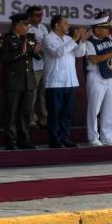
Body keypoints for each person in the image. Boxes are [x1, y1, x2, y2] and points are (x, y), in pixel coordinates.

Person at [43, 15, 86, 148]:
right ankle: (54, 138)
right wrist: (74, 39)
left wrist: (82, 41)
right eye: (65, 23)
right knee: (55, 112)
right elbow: (57, 53)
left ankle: (65, 137)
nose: (69, 25)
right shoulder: (48, 38)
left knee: (67, 112)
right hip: (55, 82)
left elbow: (79, 54)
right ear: (57, 25)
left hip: (70, 81)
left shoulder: (68, 39)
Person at [0, 12, 38, 150]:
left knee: (25, 112)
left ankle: (24, 140)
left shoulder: (30, 37)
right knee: (11, 112)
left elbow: (35, 55)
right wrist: (22, 50)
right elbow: (5, 59)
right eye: (26, 25)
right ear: (17, 25)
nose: (28, 27)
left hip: (28, 81)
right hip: (13, 81)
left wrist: (37, 51)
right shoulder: (6, 39)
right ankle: (10, 141)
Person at [83, 15, 112, 146]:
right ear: (97, 29)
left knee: (110, 108)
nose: (108, 30)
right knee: (94, 108)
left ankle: (107, 136)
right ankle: (93, 137)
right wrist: (111, 52)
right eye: (105, 28)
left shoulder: (110, 40)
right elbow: (93, 59)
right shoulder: (89, 42)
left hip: (110, 75)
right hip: (96, 75)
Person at [25, 5, 49, 130]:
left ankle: (44, 119)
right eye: (37, 15)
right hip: (33, 66)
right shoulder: (27, 28)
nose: (40, 17)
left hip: (45, 65)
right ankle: (31, 120)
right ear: (30, 16)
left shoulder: (43, 27)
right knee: (32, 95)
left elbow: (47, 44)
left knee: (44, 95)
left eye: (41, 15)